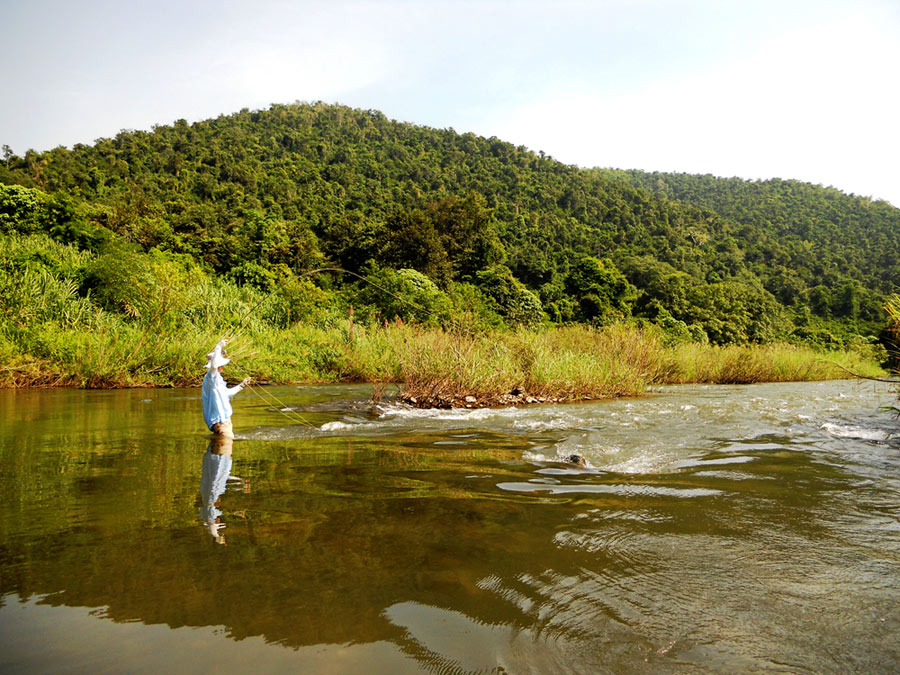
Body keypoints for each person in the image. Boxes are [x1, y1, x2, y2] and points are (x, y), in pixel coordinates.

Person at [202, 338, 250, 438]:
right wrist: (218, 346)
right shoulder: (211, 377)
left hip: (222, 423)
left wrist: (242, 385)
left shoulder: (217, 379)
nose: (223, 367)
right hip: (222, 424)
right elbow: (214, 365)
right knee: (226, 450)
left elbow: (227, 393)